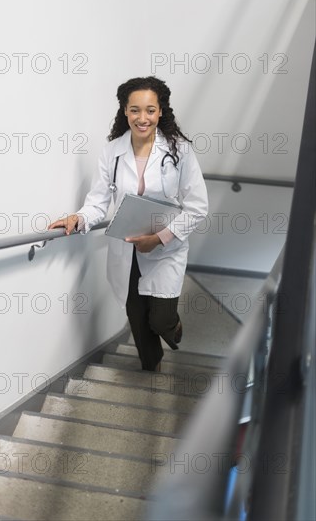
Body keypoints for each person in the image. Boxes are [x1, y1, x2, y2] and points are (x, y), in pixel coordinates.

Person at [48, 76, 208, 372]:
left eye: (150, 110)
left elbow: (198, 207)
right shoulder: (112, 152)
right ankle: (152, 370)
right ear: (125, 111)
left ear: (161, 111)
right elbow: (97, 201)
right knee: (137, 317)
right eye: (135, 110)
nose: (142, 118)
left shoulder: (180, 151)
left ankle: (173, 328)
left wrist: (159, 238)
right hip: (127, 249)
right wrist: (78, 218)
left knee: (159, 320)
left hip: (166, 248)